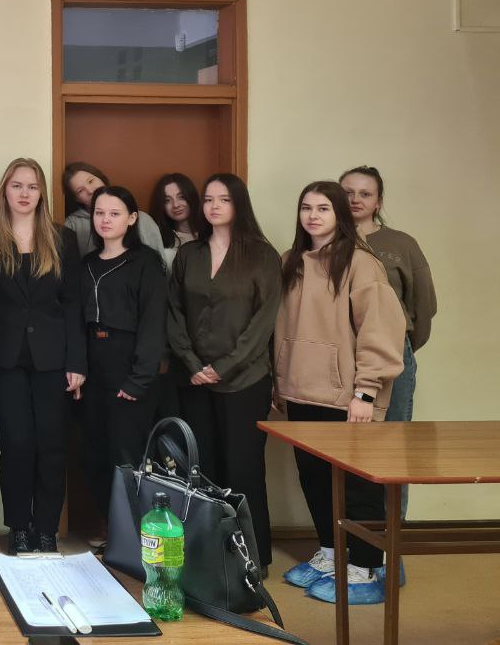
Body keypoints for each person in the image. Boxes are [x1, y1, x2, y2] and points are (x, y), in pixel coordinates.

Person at [276, 180, 405, 605]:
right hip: (300, 392)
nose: (313, 216)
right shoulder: (290, 261)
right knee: (313, 478)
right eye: (306, 207)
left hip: (348, 396)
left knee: (357, 485)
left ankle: (365, 567)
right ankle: (332, 553)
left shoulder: (361, 263)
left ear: (340, 215)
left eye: (323, 208)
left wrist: (366, 393)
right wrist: (279, 383)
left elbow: (379, 330)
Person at [166, 174, 280, 570]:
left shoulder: (262, 256)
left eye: (224, 199)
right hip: (194, 379)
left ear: (239, 204)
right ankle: (209, 558)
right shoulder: (190, 254)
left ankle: (251, 559)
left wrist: (224, 367)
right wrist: (192, 363)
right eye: (209, 199)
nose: (214, 206)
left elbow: (263, 322)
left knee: (243, 469)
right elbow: (174, 311)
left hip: (245, 380)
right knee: (202, 470)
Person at [0, 158, 81, 555]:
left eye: (32, 187)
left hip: (54, 359)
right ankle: (19, 527)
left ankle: (46, 529)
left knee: (52, 446)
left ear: (42, 193)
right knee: (17, 444)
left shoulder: (63, 238)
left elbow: (73, 304)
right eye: (17, 185)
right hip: (2, 359)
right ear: (5, 190)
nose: (24, 193)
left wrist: (77, 363)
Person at [340, 165, 435, 528]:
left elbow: (424, 306)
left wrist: (399, 347)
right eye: (347, 192)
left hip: (392, 357)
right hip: (340, 357)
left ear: (378, 201)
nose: (355, 200)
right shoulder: (327, 240)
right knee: (346, 450)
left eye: (365, 194)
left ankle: (391, 541)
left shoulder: (401, 245)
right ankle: (352, 542)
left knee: (392, 447)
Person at [71, 185, 168, 538]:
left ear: (131, 218)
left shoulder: (146, 263)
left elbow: (154, 323)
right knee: (94, 454)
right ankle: (111, 528)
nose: (106, 220)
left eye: (114, 213)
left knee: (127, 456)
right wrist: (77, 370)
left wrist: (138, 379)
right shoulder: (86, 264)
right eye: (99, 213)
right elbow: (76, 322)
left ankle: (136, 537)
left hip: (129, 370)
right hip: (92, 372)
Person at [62, 161, 165, 259]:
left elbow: (159, 262)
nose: (90, 190)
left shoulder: (143, 219)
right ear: (77, 199)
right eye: (80, 191)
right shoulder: (72, 224)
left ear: (101, 178)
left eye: (91, 181)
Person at [149, 172, 202, 271]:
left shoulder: (210, 234)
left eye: (181, 197)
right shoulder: (158, 239)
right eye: (167, 200)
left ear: (191, 197)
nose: (176, 205)